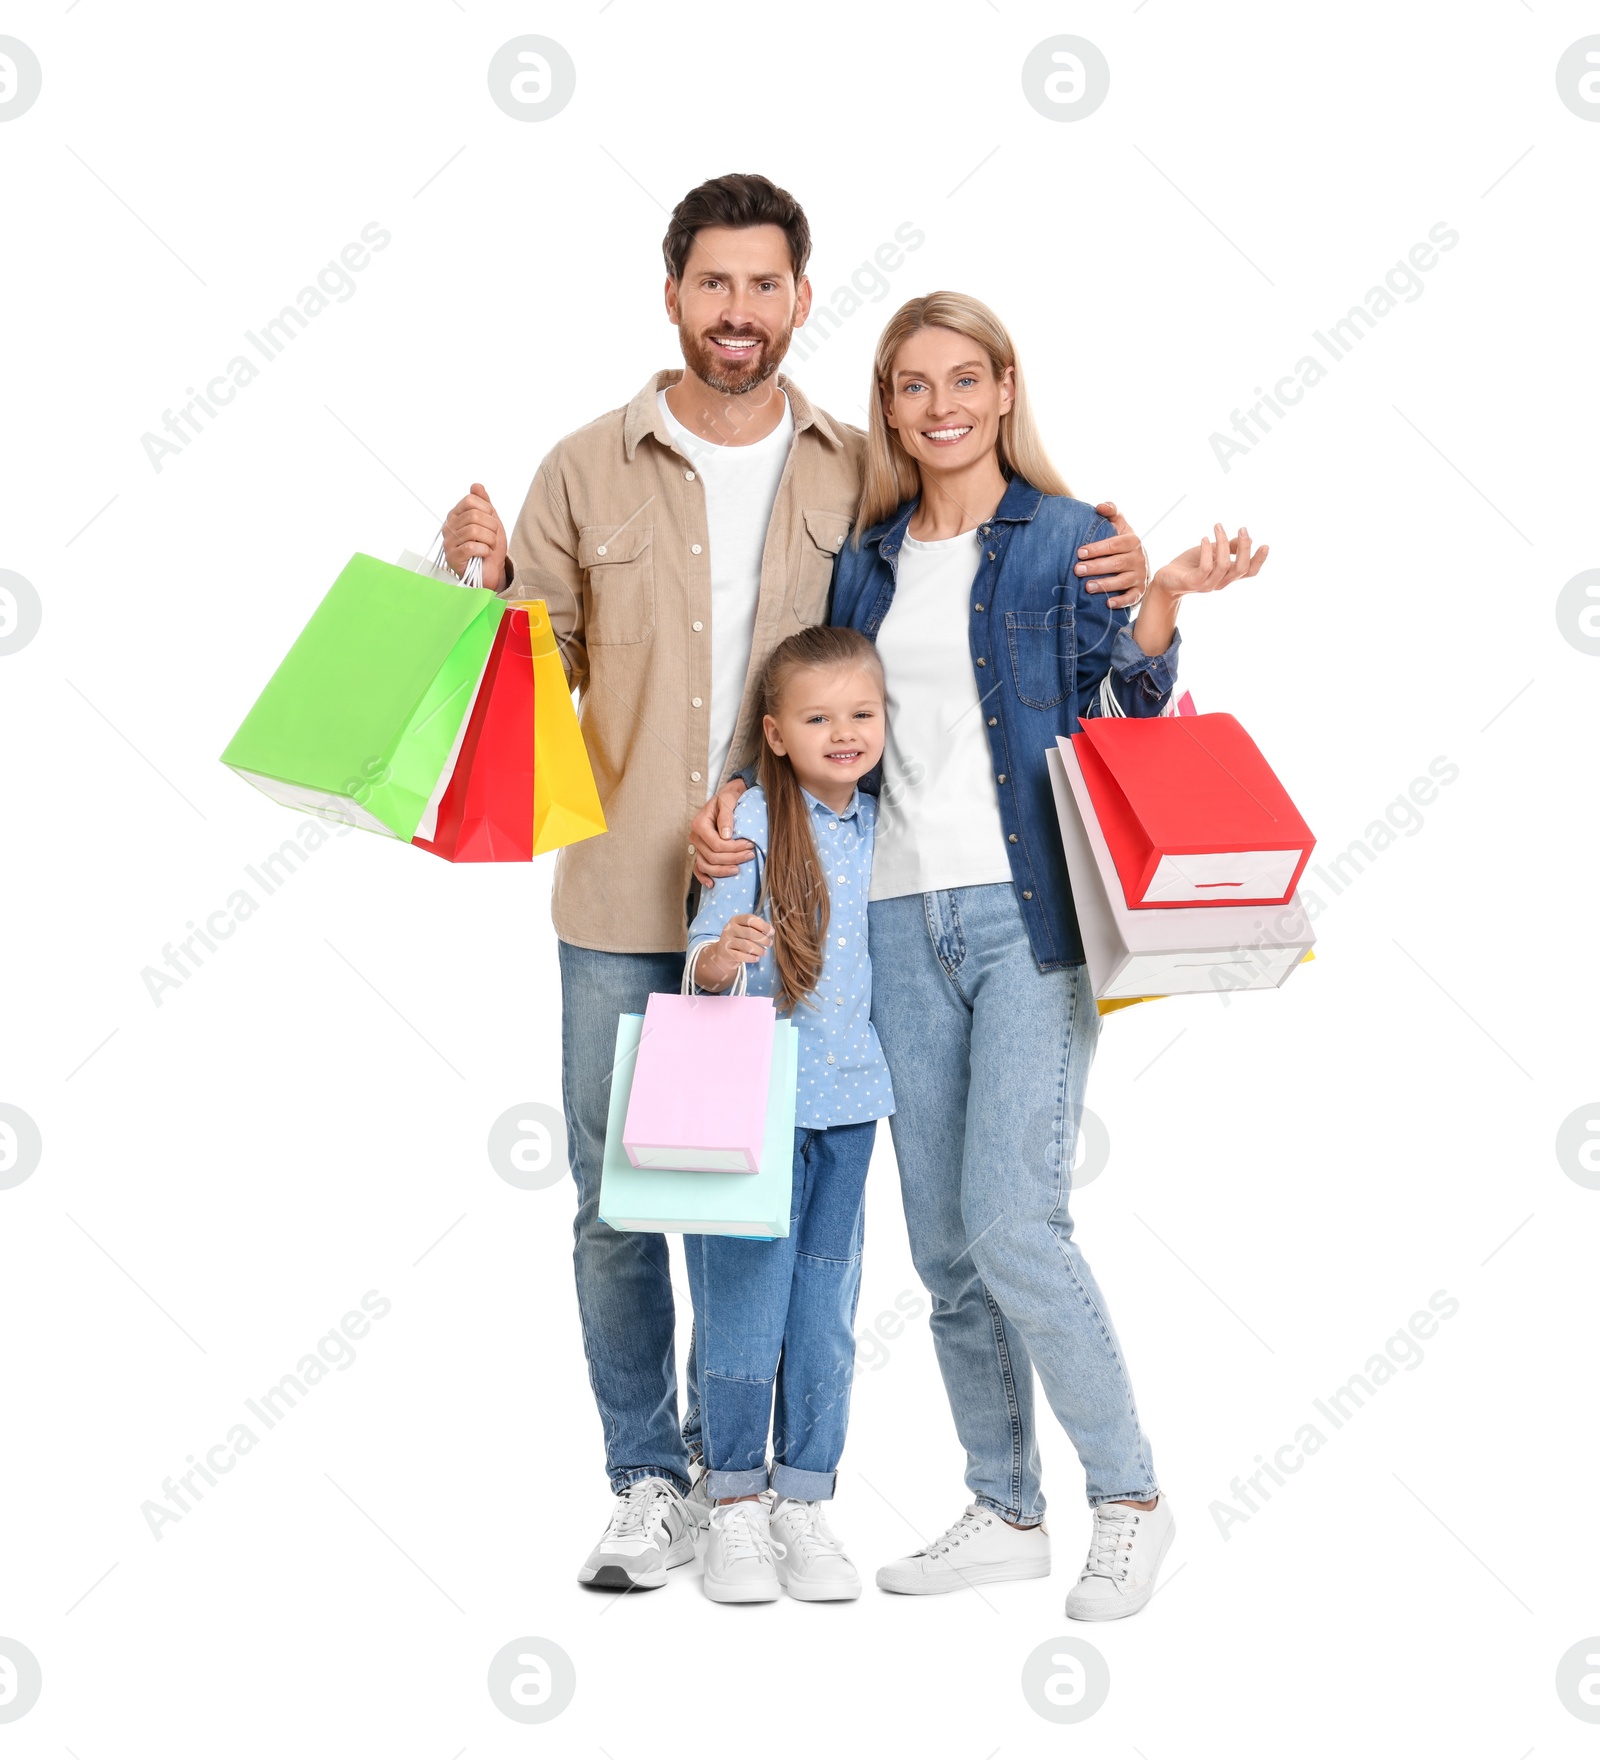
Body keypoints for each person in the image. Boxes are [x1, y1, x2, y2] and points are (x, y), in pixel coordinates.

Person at [441, 173, 1152, 1593]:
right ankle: (656, 1483)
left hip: (814, 914)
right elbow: (533, 657)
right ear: (672, 295)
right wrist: (477, 580)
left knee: (798, 1197)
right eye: (715, 284)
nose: (740, 312)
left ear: (800, 298)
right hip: (627, 900)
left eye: (767, 285)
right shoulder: (586, 464)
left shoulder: (850, 471)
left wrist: (1131, 595)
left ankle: (764, 1479)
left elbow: (960, 629)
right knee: (622, 1197)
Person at [691, 291, 1268, 1620]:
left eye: (964, 378)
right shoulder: (872, 557)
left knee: (1018, 1226)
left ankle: (1129, 1498)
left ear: (1007, 389)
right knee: (946, 1248)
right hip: (891, 922)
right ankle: (1006, 1508)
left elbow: (1130, 707)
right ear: (889, 405)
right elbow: (822, 712)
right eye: (910, 384)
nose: (938, 404)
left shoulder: (1070, 538)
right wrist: (739, 795)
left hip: (1027, 914)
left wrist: (1168, 596)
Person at [682, 625, 892, 1603]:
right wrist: (726, 949)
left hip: (851, 1109)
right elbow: (700, 966)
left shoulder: (888, 826)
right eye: (817, 717)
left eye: (862, 712)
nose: (843, 732)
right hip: (750, 1103)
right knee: (744, 1307)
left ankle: (802, 1499)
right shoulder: (754, 826)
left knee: (823, 1313)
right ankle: (732, 1501)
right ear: (773, 731)